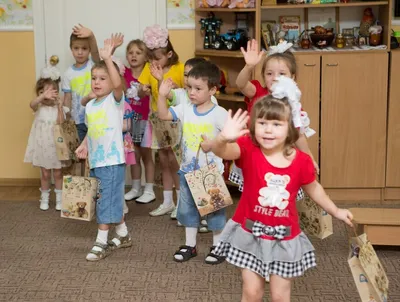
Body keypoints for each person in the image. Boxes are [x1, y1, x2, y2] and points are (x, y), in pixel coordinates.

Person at [208, 77, 354, 301]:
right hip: (249, 233)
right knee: (251, 291)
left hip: (285, 238)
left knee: (280, 295)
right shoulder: (248, 149)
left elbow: (314, 189)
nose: (268, 130)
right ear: (254, 125)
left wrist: (336, 211)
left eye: (277, 124)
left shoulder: (302, 161)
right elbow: (222, 152)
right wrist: (222, 138)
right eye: (263, 123)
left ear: (290, 129)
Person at [157, 61, 227, 264]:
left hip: (210, 173)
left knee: (213, 211)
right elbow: (163, 115)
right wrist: (162, 95)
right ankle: (190, 245)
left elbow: (231, 137)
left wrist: (213, 144)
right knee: (187, 211)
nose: (191, 93)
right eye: (189, 88)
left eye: (198, 89)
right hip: (187, 171)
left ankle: (218, 246)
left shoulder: (219, 113)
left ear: (213, 89)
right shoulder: (186, 108)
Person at [230, 38, 318, 193]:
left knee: (276, 195)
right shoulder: (257, 92)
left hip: (279, 156)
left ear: (293, 77)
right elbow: (241, 84)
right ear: (263, 76)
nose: (275, 77)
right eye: (269, 73)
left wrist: (309, 156)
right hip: (254, 155)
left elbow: (299, 134)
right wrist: (249, 66)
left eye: (282, 73)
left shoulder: (292, 104)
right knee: (254, 194)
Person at [75, 39, 131, 261]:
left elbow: (118, 85)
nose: (97, 82)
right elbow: (93, 131)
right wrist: (83, 144)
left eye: (103, 78)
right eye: (94, 78)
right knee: (108, 198)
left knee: (105, 200)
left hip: (112, 161)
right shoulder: (90, 106)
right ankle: (124, 235)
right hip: (96, 162)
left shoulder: (114, 101)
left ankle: (101, 242)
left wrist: (108, 58)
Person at [139, 25, 185, 216]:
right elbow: (142, 89)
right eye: (150, 58)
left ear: (169, 54)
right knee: (164, 161)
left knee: (176, 162)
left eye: (157, 58)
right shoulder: (149, 69)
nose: (153, 62)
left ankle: (182, 203)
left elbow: (187, 93)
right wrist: (144, 90)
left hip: (174, 121)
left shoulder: (179, 69)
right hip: (157, 121)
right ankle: (167, 202)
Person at [109, 36, 156, 203]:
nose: (134, 55)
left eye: (138, 52)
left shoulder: (150, 72)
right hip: (129, 120)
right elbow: (109, 62)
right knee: (133, 153)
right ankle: (136, 188)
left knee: (146, 154)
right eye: (130, 53)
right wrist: (113, 48)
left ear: (146, 56)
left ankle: (149, 189)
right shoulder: (124, 73)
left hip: (146, 119)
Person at [24, 68, 71, 211]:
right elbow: (31, 104)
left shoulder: (58, 107)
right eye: (45, 92)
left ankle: (59, 199)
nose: (49, 95)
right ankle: (44, 197)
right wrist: (42, 96)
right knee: (44, 173)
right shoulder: (39, 107)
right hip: (41, 144)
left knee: (57, 172)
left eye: (53, 91)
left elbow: (61, 123)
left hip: (55, 145)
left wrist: (59, 106)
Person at [62, 24, 100, 175]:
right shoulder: (68, 74)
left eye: (84, 48)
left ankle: (95, 184)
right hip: (78, 122)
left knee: (95, 153)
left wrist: (91, 36)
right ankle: (82, 189)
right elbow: (67, 99)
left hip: (95, 119)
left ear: (89, 50)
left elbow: (98, 55)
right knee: (80, 155)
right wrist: (67, 120)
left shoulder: (93, 66)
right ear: (71, 49)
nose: (80, 52)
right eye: (76, 48)